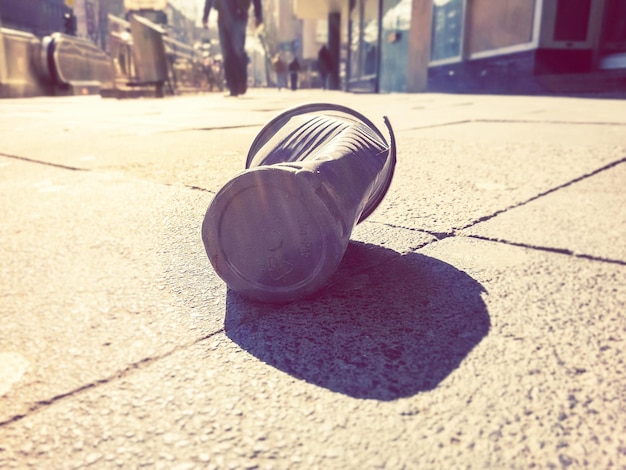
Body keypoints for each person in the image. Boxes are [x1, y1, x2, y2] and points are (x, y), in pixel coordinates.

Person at [203, 0, 263, 97]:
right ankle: (232, 87)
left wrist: (258, 15)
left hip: (239, 14)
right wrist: (205, 16)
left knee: (238, 49)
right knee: (226, 52)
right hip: (222, 15)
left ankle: (241, 83)